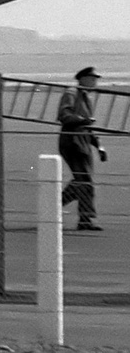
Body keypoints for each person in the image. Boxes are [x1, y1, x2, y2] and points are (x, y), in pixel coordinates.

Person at [59, 66, 106, 231]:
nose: (95, 81)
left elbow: (89, 127)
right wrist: (81, 120)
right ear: (83, 78)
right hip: (72, 142)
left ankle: (57, 205)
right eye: (92, 78)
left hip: (83, 142)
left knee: (83, 181)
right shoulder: (72, 93)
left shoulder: (86, 98)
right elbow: (64, 115)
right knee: (84, 180)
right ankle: (85, 218)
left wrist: (99, 146)